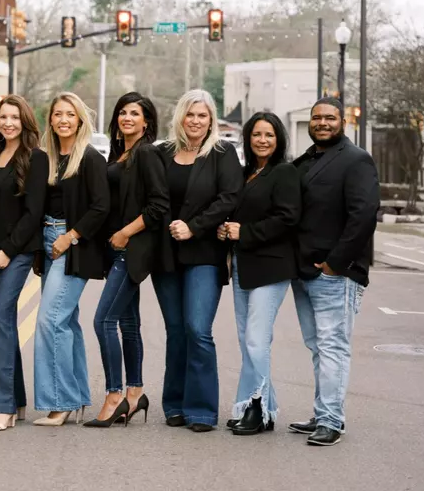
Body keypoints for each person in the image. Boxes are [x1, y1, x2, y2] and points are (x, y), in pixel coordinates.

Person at [287, 97, 379, 447]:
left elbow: (363, 216)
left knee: (332, 347)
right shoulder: (308, 159)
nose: (322, 123)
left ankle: (331, 420)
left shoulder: (356, 160)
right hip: (303, 273)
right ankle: (322, 411)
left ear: (343, 121)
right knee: (318, 347)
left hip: (335, 274)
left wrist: (333, 265)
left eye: (330, 118)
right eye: (317, 118)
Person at [152, 90, 242, 433]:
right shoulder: (163, 153)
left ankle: (202, 409)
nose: (196, 121)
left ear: (211, 120)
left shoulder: (222, 153)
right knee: (175, 331)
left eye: (202, 116)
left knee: (197, 329)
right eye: (190, 114)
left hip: (204, 253)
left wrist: (194, 227)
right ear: (180, 116)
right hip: (167, 255)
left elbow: (229, 198)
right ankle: (174, 404)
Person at [85, 92, 167, 429]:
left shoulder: (146, 153)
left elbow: (158, 206)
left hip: (130, 250)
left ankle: (114, 394)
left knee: (102, 320)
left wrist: (124, 234)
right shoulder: (120, 154)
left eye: (135, 113)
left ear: (147, 121)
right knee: (128, 324)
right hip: (116, 250)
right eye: (122, 112)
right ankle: (136, 392)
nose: (127, 118)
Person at [218, 112, 300, 436]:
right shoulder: (245, 173)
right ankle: (264, 409)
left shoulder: (285, 173)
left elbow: (288, 218)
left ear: (278, 138)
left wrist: (245, 232)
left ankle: (255, 406)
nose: (262, 140)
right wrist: (227, 229)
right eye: (256, 134)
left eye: (268, 134)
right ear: (247, 138)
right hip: (242, 266)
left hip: (272, 266)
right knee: (247, 340)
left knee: (255, 340)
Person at [32, 93, 108, 427]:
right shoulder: (46, 157)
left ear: (80, 120)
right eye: (58, 114)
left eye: (70, 114)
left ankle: (60, 403)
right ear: (50, 120)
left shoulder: (89, 158)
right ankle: (73, 397)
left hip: (72, 244)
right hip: (49, 240)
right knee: (67, 323)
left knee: (50, 321)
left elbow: (101, 206)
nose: (64, 119)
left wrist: (70, 236)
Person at [0, 95, 47, 432]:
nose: (8, 123)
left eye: (14, 118)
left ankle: (1, 406)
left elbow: (34, 213)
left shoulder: (36, 158)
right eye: (3, 117)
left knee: (0, 316)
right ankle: (15, 398)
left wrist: (7, 249)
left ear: (25, 121)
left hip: (15, 248)